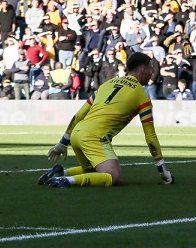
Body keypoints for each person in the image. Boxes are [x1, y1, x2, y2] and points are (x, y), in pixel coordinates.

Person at [39, 52, 173, 188]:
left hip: (77, 134)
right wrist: (161, 167)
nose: (152, 73)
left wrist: (62, 143)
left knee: (93, 171)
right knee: (114, 177)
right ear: (143, 69)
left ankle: (60, 173)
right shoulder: (142, 95)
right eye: (151, 69)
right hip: (95, 137)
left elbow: (79, 115)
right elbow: (150, 136)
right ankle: (67, 181)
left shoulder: (107, 85)